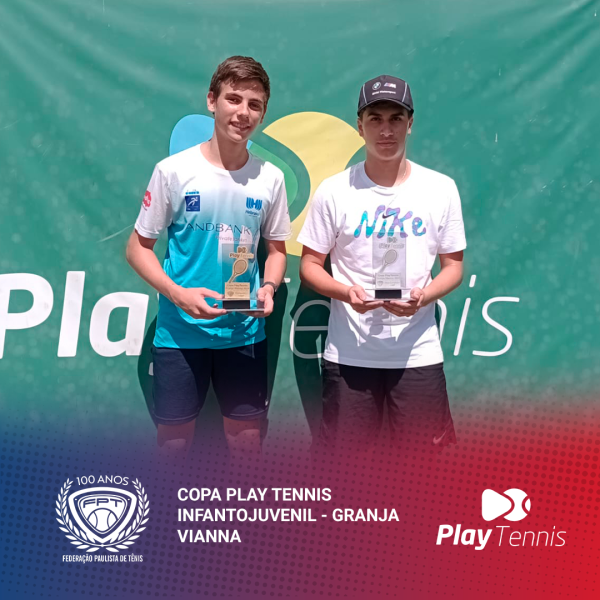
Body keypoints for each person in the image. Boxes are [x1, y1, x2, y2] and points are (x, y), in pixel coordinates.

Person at [126, 56, 290, 460]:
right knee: (174, 443)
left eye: (254, 105)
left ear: (263, 114)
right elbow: (137, 249)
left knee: (246, 441)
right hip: (180, 334)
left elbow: (277, 251)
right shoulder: (173, 171)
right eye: (233, 99)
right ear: (212, 101)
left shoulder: (271, 178)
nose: (243, 112)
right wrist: (178, 295)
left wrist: (269, 287)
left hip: (244, 333)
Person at [297, 75, 466, 457]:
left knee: (425, 472)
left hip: (418, 356)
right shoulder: (334, 191)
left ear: (410, 123)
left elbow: (454, 267)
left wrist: (425, 296)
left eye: (395, 118)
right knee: (347, 474)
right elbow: (309, 265)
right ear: (359, 126)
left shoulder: (441, 188)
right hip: (349, 357)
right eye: (375, 119)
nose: (385, 130)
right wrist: (346, 293)